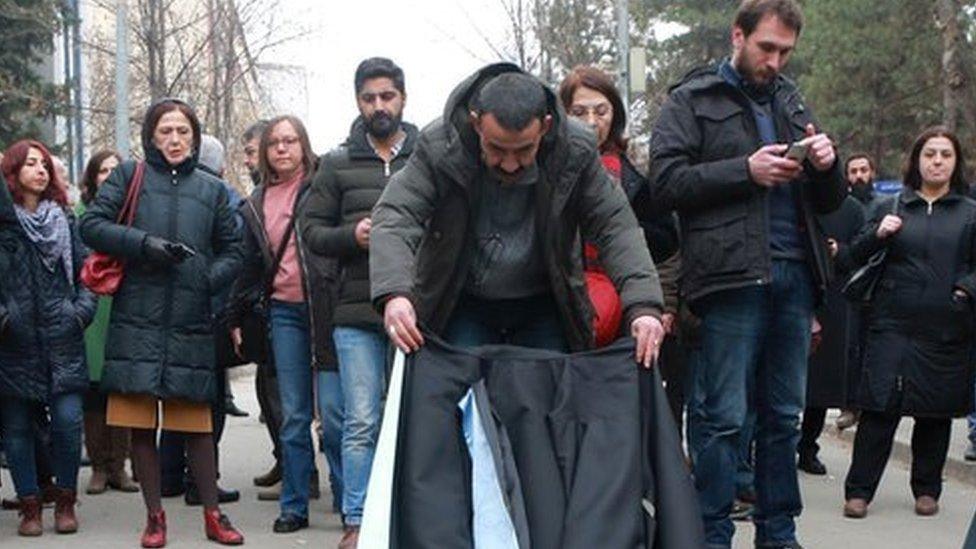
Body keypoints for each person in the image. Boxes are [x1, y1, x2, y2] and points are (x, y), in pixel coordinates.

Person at [649, 1, 846, 547]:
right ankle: (709, 535)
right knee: (722, 419)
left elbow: (829, 201)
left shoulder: (791, 100)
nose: (776, 61)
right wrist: (745, 170)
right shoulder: (692, 99)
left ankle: (777, 534)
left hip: (795, 277)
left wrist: (828, 166)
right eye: (767, 48)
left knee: (784, 418)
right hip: (729, 280)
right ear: (738, 35)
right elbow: (663, 184)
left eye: (785, 51)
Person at [371, 61, 664, 384]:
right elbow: (396, 216)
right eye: (496, 149)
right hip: (464, 301)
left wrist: (643, 307)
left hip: (544, 304)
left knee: (547, 410)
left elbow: (615, 227)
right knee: (462, 405)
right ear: (476, 123)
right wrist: (395, 294)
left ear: (546, 126)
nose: (510, 164)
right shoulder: (440, 145)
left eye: (525, 150)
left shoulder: (575, 150)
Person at [80, 98, 244, 547]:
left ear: (194, 136)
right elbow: (91, 225)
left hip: (190, 320)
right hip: (136, 318)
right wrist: (144, 244)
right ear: (151, 136)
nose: (175, 139)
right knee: (140, 424)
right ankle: (155, 518)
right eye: (166, 131)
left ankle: (213, 515)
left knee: (197, 426)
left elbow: (235, 250)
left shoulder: (212, 190)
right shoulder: (129, 176)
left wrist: (205, 281)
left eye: (183, 131)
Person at [301, 56, 417, 549]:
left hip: (417, 309)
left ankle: (409, 515)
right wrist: (354, 235)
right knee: (361, 419)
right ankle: (358, 518)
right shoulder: (337, 163)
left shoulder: (427, 156)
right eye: (369, 98)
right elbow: (311, 232)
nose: (379, 106)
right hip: (354, 311)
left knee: (411, 416)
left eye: (387, 96)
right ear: (358, 102)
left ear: (403, 98)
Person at [843, 127, 976, 520]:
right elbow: (852, 255)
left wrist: (964, 293)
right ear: (916, 160)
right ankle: (859, 492)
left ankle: (926, 489)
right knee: (879, 409)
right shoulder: (891, 205)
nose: (937, 161)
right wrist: (879, 235)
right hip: (891, 324)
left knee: (934, 412)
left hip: (946, 328)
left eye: (945, 155)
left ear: (956, 163)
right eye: (930, 154)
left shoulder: (970, 213)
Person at [227, 114, 334, 533]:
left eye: (291, 141)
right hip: (285, 312)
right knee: (292, 413)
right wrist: (235, 315)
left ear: (304, 146)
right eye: (275, 143)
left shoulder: (324, 186)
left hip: (327, 310)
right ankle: (294, 505)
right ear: (267, 152)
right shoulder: (256, 201)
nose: (283, 149)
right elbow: (250, 264)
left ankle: (351, 502)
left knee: (338, 414)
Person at [0, 139, 95, 536]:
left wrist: (79, 313)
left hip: (63, 339)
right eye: (30, 164)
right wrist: (5, 319)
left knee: (69, 424)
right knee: (17, 430)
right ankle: (30, 506)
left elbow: (88, 273)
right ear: (13, 172)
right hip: (14, 343)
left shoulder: (65, 219)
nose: (41, 171)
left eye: (44, 165)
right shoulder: (5, 225)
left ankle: (65, 500)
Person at [557, 65, 680, 347]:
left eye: (601, 111)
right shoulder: (544, 172)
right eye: (579, 112)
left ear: (615, 115)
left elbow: (667, 248)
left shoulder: (635, 181)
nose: (591, 122)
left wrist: (661, 306)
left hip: (625, 306)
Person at [157, 135, 241, 506]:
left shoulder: (165, 191)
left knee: (175, 388)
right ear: (220, 165)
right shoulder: (223, 194)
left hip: (167, 305)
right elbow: (235, 249)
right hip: (212, 308)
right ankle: (200, 480)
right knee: (209, 396)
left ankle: (168, 474)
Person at [77, 149, 141, 496]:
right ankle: (99, 467)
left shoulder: (135, 213)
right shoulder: (81, 215)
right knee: (93, 391)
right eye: (103, 171)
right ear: (92, 177)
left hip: (126, 305)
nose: (109, 176)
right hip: (92, 310)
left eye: (116, 170)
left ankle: (121, 466)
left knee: (124, 391)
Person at [797, 194, 865, 475]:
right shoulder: (796, 199)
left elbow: (863, 251)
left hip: (833, 297)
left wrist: (840, 250)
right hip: (792, 289)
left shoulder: (852, 209)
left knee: (821, 383)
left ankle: (807, 447)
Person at [239, 119, 286, 491]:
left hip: (288, 307)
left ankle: (296, 467)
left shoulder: (299, 194)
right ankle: (285, 461)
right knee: (269, 388)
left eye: (253, 152)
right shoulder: (255, 200)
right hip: (264, 307)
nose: (249, 160)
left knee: (284, 393)